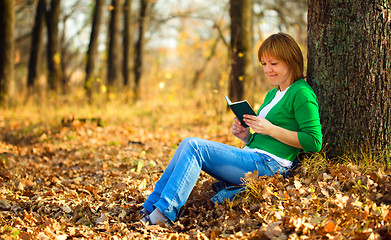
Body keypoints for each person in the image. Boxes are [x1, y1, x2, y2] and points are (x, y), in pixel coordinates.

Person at [139, 32, 322, 225]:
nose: (267, 69)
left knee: (194, 147)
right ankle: (150, 207)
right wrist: (246, 137)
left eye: (273, 63)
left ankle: (163, 214)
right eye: (264, 64)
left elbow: (314, 141)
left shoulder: (301, 93)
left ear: (290, 60)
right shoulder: (272, 93)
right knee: (187, 143)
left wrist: (269, 129)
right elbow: (264, 140)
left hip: (270, 166)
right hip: (254, 158)